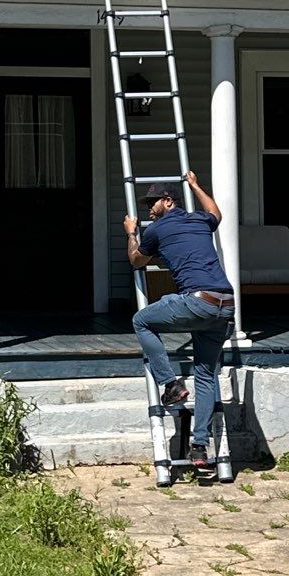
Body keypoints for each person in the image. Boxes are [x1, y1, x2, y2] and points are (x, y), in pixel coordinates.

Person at [123, 170, 234, 470]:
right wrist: (196, 186)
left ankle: (170, 384)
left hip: (198, 302)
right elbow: (216, 213)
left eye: (153, 203)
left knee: (141, 321)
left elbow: (136, 260)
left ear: (169, 201)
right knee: (206, 375)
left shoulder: (157, 230)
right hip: (225, 305)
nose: (149, 209)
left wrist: (132, 232)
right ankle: (199, 448)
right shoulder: (199, 220)